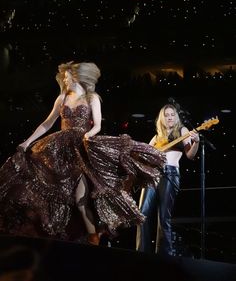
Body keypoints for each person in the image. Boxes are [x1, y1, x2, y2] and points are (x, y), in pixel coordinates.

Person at [0, 61, 165, 246]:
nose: (65, 80)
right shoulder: (62, 97)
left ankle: (93, 236)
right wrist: (28, 141)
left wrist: (88, 135)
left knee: (80, 198)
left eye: (67, 77)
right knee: (51, 188)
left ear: (76, 77)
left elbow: (98, 125)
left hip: (80, 147)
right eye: (64, 77)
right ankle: (60, 233)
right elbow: (47, 123)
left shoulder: (92, 97)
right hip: (58, 147)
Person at [136, 104, 199, 256]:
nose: (170, 117)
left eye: (172, 114)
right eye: (166, 115)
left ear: (176, 116)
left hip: (170, 174)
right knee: (141, 212)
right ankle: (140, 253)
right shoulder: (157, 136)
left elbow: (190, 155)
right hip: (152, 174)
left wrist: (196, 142)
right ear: (162, 119)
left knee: (164, 216)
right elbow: (144, 155)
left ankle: (165, 256)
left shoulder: (182, 131)